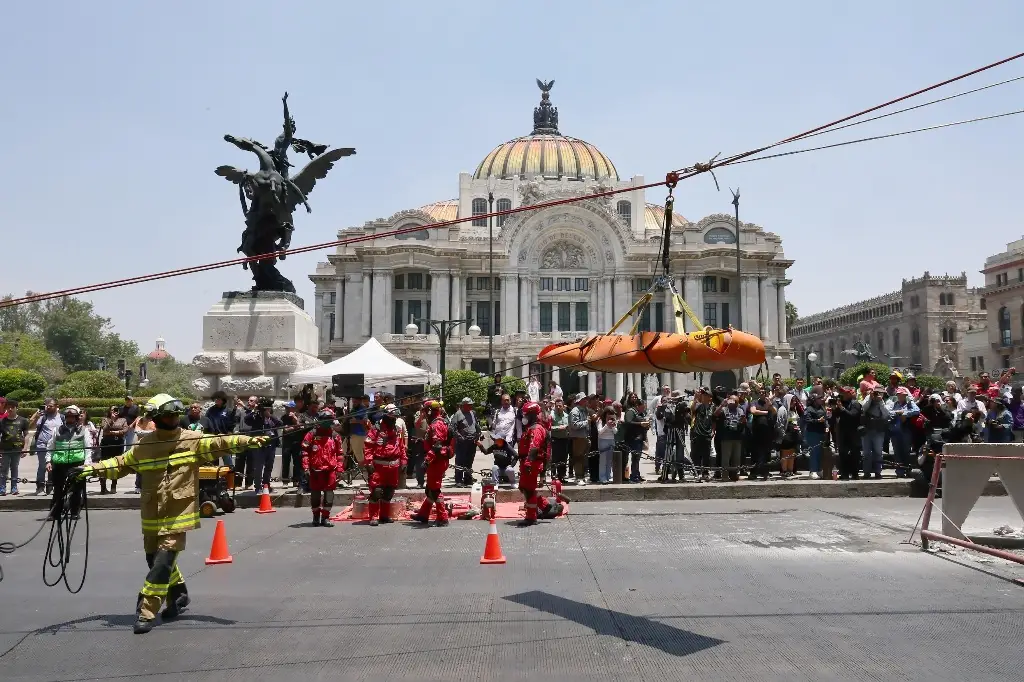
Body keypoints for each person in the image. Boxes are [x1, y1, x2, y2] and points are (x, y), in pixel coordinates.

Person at [73, 393, 269, 634]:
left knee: (162, 562)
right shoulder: (145, 445)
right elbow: (121, 464)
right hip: (151, 514)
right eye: (168, 416)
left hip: (178, 515)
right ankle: (178, 594)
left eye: (176, 414)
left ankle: (146, 610)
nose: (174, 419)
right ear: (156, 418)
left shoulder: (192, 440)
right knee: (154, 560)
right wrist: (90, 470)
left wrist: (249, 441)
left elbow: (220, 442)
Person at [46, 405, 94, 520]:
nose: (70, 419)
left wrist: (87, 463)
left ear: (76, 418)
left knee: (76, 490)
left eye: (72, 417)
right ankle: (55, 513)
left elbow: (88, 448)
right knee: (58, 490)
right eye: (68, 417)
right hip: (59, 463)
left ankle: (74, 512)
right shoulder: (57, 430)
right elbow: (50, 447)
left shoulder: (84, 430)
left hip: (77, 464)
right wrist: (48, 461)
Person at [516, 401, 560, 526]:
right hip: (528, 462)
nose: (524, 417)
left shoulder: (536, 429)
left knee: (528, 489)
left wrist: (528, 463)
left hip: (532, 463)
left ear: (532, 415)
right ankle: (544, 505)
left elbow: (534, 448)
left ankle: (531, 517)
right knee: (524, 487)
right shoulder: (531, 428)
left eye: (526, 415)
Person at [362, 405, 406, 526]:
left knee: (389, 491)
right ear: (386, 416)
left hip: (393, 466)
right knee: (376, 491)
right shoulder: (375, 429)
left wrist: (404, 461)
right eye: (392, 417)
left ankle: (384, 516)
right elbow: (368, 447)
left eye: (395, 418)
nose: (394, 420)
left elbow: (401, 446)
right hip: (379, 466)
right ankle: (373, 517)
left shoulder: (396, 429)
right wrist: (369, 462)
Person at [410, 401, 452, 526]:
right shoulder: (439, 422)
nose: (424, 414)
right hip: (437, 459)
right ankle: (423, 514)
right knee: (430, 489)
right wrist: (423, 441)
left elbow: (437, 445)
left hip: (436, 461)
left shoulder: (436, 424)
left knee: (434, 490)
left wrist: (427, 460)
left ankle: (443, 518)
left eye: (425, 411)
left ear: (429, 411)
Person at [301, 409, 345, 526]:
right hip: (315, 470)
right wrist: (306, 468)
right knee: (315, 493)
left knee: (329, 493)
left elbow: (340, 454)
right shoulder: (311, 434)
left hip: (330, 470)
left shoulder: (335, 436)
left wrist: (340, 469)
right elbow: (305, 452)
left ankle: (325, 517)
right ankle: (316, 516)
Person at [28, 399, 62, 495]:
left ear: (57, 406)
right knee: (42, 466)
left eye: (50, 405)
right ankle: (40, 487)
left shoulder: (62, 417)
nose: (48, 407)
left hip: (56, 445)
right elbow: (31, 426)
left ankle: (51, 486)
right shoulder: (43, 417)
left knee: (54, 466)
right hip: (43, 445)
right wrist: (36, 417)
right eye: (47, 405)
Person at [249, 401, 282, 492]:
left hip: (271, 444)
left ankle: (266, 485)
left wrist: (270, 416)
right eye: (266, 409)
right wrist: (254, 410)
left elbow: (280, 424)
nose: (268, 410)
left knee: (269, 466)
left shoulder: (272, 417)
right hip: (260, 445)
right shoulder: (256, 417)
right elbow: (247, 420)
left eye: (269, 408)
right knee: (258, 466)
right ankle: (257, 487)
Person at [0, 396, 29, 495]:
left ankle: (14, 487)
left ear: (16, 408)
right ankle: (2, 488)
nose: (10, 409)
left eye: (12, 407)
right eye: (8, 407)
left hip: (17, 449)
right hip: (5, 449)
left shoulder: (23, 420)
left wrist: (25, 448)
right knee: (3, 469)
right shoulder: (2, 421)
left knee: (14, 468)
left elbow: (26, 435)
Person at [450, 397, 481, 486]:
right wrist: (460, 437)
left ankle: (468, 478)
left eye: (471, 405)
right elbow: (452, 428)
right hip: (462, 442)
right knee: (460, 461)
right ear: (464, 405)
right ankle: (459, 480)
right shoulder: (458, 414)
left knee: (469, 461)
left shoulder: (472, 413)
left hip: (472, 441)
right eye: (469, 405)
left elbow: (476, 425)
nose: (471, 406)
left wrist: (478, 433)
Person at [489, 393, 519, 487]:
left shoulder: (515, 411)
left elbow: (518, 425)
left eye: (507, 400)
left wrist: (518, 436)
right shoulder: (498, 411)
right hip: (498, 439)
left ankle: (507, 475)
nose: (506, 402)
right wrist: (492, 435)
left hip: (509, 439)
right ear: (501, 401)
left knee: (508, 459)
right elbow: (493, 425)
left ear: (510, 401)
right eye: (504, 400)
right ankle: (498, 477)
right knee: (498, 457)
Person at [861, 387, 890, 479]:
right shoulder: (868, 397)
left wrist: (881, 402)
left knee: (878, 452)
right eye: (876, 392)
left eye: (880, 393)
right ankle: (866, 472)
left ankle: (878, 472)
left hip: (878, 430)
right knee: (866, 453)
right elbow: (863, 408)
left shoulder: (886, 400)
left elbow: (886, 414)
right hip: (867, 429)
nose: (878, 394)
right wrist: (870, 398)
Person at [98, 405, 128, 494]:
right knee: (103, 465)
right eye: (112, 410)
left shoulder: (123, 420)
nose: (114, 411)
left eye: (116, 409)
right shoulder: (105, 419)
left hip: (118, 444)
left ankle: (113, 486)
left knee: (116, 465)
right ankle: (103, 487)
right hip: (106, 444)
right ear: (109, 411)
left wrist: (113, 432)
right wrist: (111, 420)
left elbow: (125, 430)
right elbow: (105, 430)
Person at [715, 396, 746, 482]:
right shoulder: (724, 409)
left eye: (735, 401)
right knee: (726, 458)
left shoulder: (740, 410)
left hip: (737, 437)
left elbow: (743, 420)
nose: (733, 402)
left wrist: (743, 420)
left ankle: (734, 475)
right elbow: (715, 414)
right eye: (731, 400)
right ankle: (725, 476)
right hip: (726, 437)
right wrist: (722, 404)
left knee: (736, 458)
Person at [597, 408, 617, 483]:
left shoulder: (613, 420)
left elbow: (615, 432)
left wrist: (613, 426)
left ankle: (608, 476)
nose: (610, 416)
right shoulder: (600, 420)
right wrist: (606, 425)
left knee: (609, 460)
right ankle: (602, 477)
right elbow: (599, 432)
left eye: (612, 414)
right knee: (603, 460)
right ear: (605, 414)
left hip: (611, 440)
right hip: (603, 440)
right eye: (609, 414)